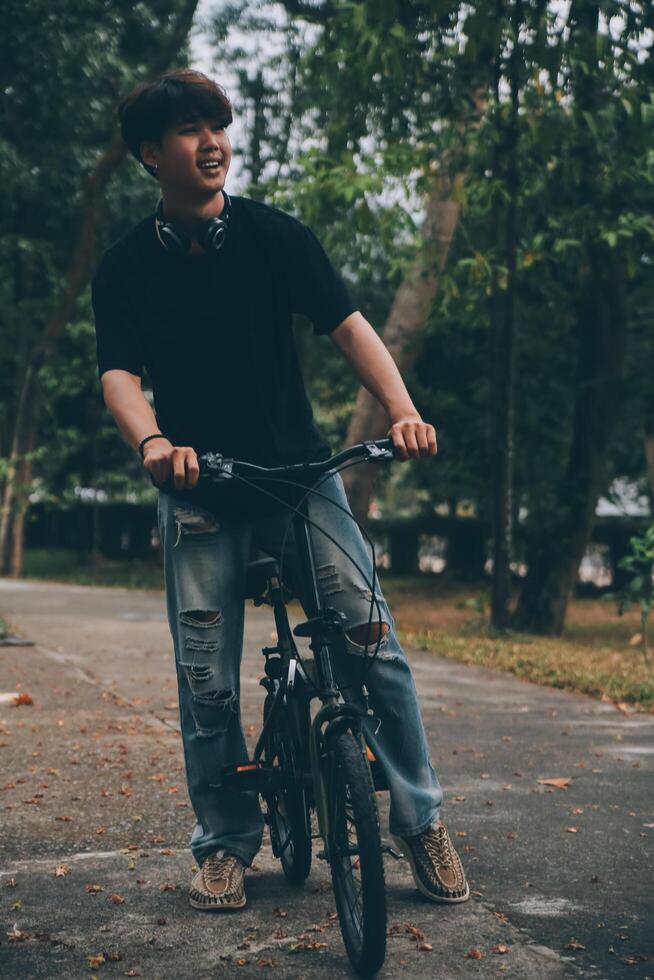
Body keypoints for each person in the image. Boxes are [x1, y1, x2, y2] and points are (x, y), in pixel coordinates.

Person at [92, 68, 469, 912]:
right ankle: (225, 842)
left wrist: (403, 411)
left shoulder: (275, 238)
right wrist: (152, 439)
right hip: (200, 492)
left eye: (217, 125)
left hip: (303, 480)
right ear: (153, 155)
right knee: (209, 684)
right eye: (190, 131)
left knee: (374, 645)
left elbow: (349, 327)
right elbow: (119, 374)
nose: (211, 141)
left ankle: (419, 820)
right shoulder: (123, 268)